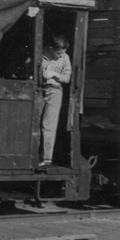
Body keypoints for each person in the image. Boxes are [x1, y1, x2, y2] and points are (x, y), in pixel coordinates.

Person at [40, 35, 72, 166]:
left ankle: (46, 159)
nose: (61, 56)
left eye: (63, 53)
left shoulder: (65, 58)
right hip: (40, 90)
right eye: (59, 53)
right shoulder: (42, 53)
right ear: (51, 48)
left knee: (48, 125)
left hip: (55, 91)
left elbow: (67, 78)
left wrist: (54, 74)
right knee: (33, 122)